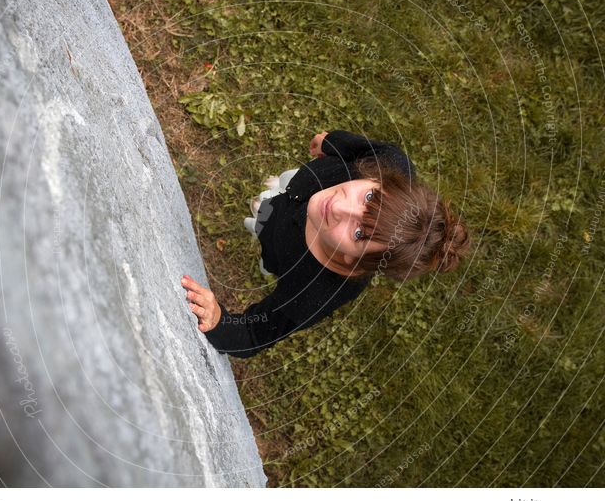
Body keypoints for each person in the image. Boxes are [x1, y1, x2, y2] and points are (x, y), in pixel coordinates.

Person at [180, 130, 471, 358]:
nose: (341, 207)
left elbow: (254, 334)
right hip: (298, 185)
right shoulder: (391, 165)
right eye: (369, 198)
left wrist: (219, 320)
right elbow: (374, 149)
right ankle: (272, 197)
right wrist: (332, 142)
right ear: (377, 178)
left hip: (277, 244)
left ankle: (261, 219)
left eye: (359, 234)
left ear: (353, 262)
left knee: (262, 223)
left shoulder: (313, 292)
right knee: (281, 187)